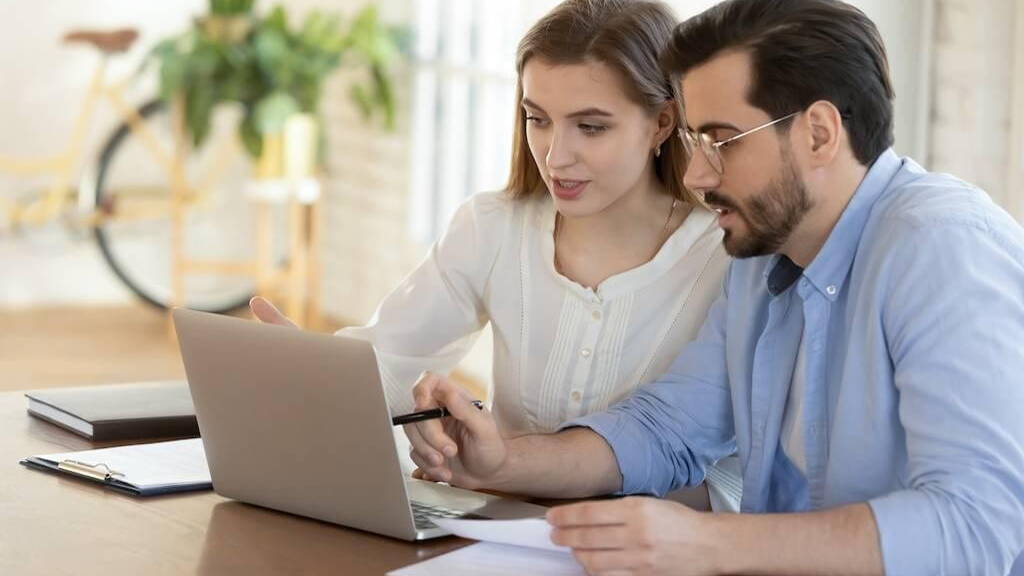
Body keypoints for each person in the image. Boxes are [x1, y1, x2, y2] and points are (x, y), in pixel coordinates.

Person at [404, 0, 1024, 574]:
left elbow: (982, 524)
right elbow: (667, 428)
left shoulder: (942, 246)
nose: (698, 174)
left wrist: (705, 542)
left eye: (722, 141)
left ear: (817, 134)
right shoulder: (764, 254)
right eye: (697, 141)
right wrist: (504, 462)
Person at [252, 0, 743, 511]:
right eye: (538, 118)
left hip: (658, 551)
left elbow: (729, 477)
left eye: (591, 127)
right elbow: (388, 362)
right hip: (502, 535)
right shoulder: (494, 226)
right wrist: (313, 374)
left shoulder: (728, 255)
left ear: (662, 122)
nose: (555, 155)